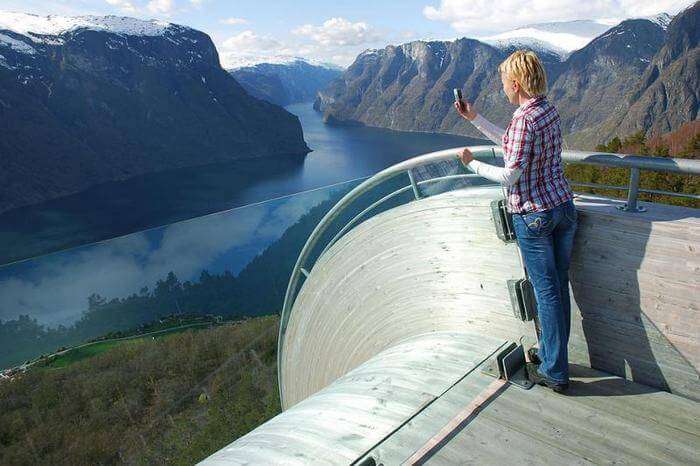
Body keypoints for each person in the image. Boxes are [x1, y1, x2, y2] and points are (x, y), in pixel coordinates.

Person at [454, 50, 577, 393]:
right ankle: (553, 355)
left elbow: (510, 175)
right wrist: (475, 118)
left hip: (534, 216)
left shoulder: (524, 119)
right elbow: (514, 145)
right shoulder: (545, 110)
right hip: (563, 209)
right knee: (558, 288)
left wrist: (471, 164)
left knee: (546, 292)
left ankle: (554, 371)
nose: (502, 87)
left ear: (517, 83)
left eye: (504, 81)